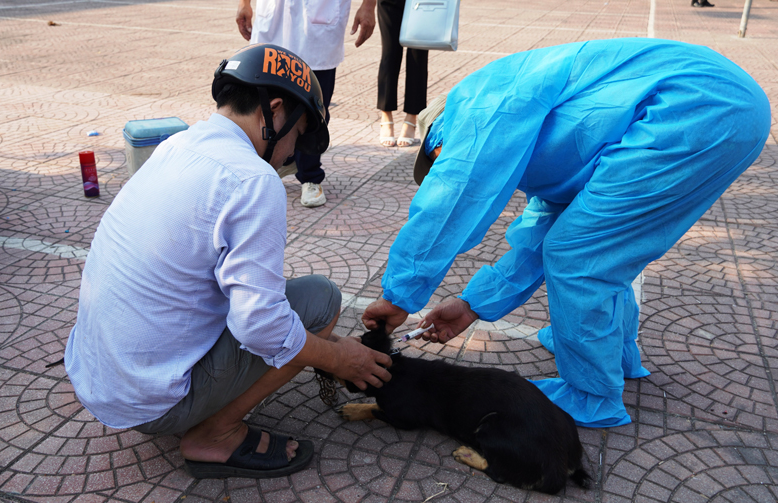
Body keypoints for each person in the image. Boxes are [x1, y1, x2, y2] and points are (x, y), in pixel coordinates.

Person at [362, 38, 771, 428]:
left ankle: (593, 396)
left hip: (697, 109)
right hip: (723, 102)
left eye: (436, 165)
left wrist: (398, 295)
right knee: (599, 244)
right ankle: (617, 355)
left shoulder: (476, 111)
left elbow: (451, 198)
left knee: (579, 257)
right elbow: (541, 233)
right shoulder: (525, 124)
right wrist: (472, 305)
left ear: (439, 145)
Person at [64, 44, 391, 480]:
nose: (292, 152)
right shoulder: (252, 179)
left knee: (280, 300)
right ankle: (214, 436)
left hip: (102, 380)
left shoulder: (178, 144)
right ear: (274, 111)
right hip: (150, 403)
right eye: (297, 134)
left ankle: (198, 406)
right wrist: (335, 358)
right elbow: (262, 325)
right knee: (319, 301)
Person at [236, 0, 377, 207]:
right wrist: (244, 3)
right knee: (266, 98)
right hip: (274, 14)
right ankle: (282, 161)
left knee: (314, 105)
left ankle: (310, 176)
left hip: (319, 17)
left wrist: (369, 5)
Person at [376, 0, 428, 147]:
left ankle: (411, 118)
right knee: (389, 54)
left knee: (417, 57)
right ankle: (386, 115)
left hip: (422, 3)